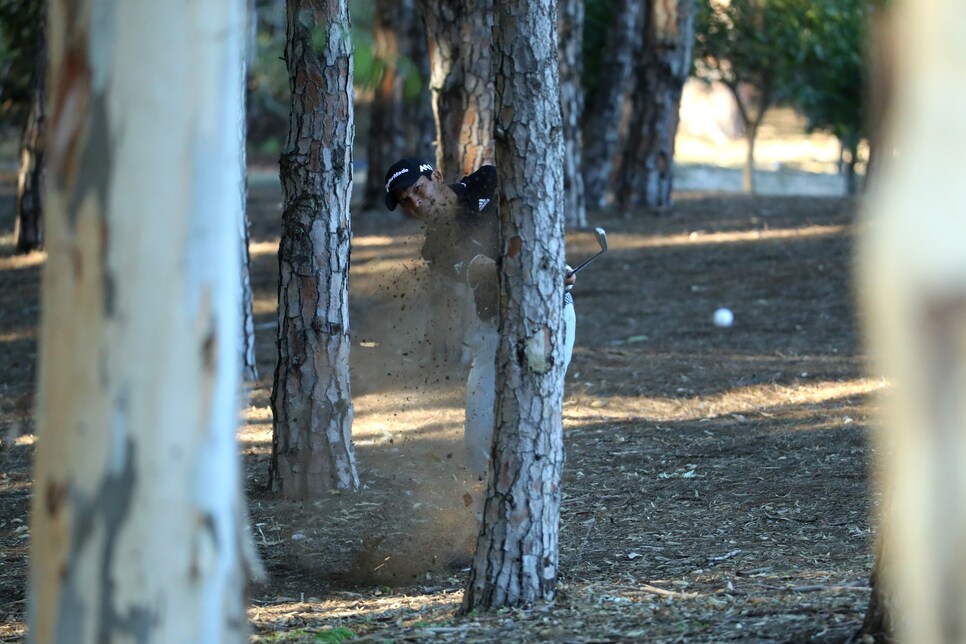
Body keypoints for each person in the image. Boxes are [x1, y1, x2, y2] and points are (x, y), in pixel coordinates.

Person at [384, 158, 576, 478]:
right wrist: (520, 268)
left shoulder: (486, 181)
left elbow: (536, 222)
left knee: (533, 412)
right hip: (493, 329)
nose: (416, 203)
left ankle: (534, 495)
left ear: (437, 177)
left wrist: (556, 267)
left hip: (547, 318)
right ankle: (484, 512)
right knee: (478, 441)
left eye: (418, 189)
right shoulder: (434, 247)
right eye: (406, 201)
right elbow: (480, 267)